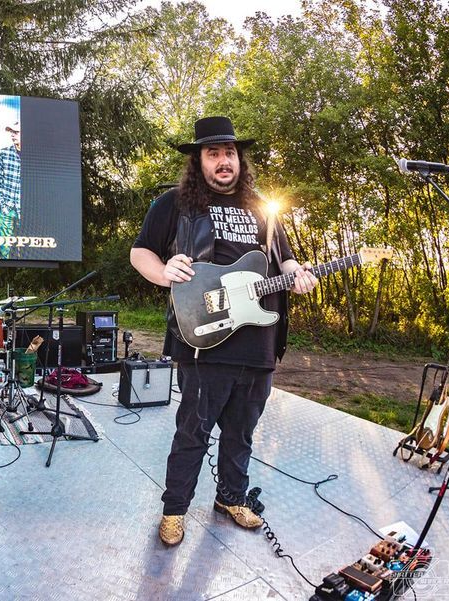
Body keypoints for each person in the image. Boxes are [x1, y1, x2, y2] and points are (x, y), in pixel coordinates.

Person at [129, 116, 318, 547]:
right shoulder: (175, 203)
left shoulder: (263, 208)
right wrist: (164, 272)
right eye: (213, 153)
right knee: (192, 432)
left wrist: (298, 272)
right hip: (204, 338)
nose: (223, 160)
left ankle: (231, 498)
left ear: (239, 159)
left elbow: (284, 260)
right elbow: (141, 252)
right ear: (198, 161)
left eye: (229, 152)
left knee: (241, 432)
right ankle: (175, 509)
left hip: (258, 341)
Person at [0, 121, 21, 259]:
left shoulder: (36, 156)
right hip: (6, 208)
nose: (12, 135)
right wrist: (1, 204)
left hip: (26, 209)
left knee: (27, 245)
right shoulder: (4, 153)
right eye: (11, 132)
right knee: (3, 247)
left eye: (16, 132)